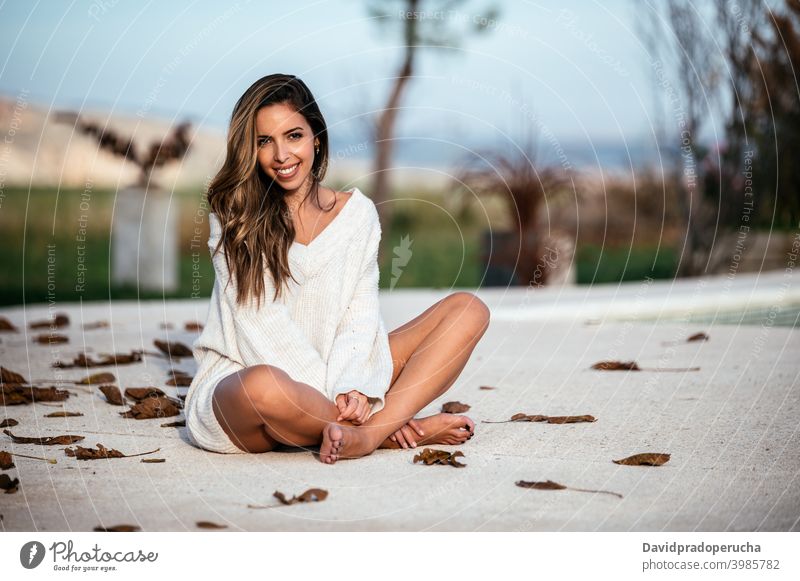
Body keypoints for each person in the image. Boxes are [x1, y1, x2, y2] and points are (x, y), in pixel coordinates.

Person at [185, 73, 490, 464]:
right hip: (248, 385)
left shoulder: (358, 214)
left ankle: (364, 432)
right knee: (264, 385)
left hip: (341, 379)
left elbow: (359, 315)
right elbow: (258, 324)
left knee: (468, 310)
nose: (281, 155)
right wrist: (341, 399)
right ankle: (383, 433)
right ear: (251, 149)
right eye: (264, 141)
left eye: (293, 135)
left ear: (316, 136)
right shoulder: (234, 215)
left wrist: (357, 386)